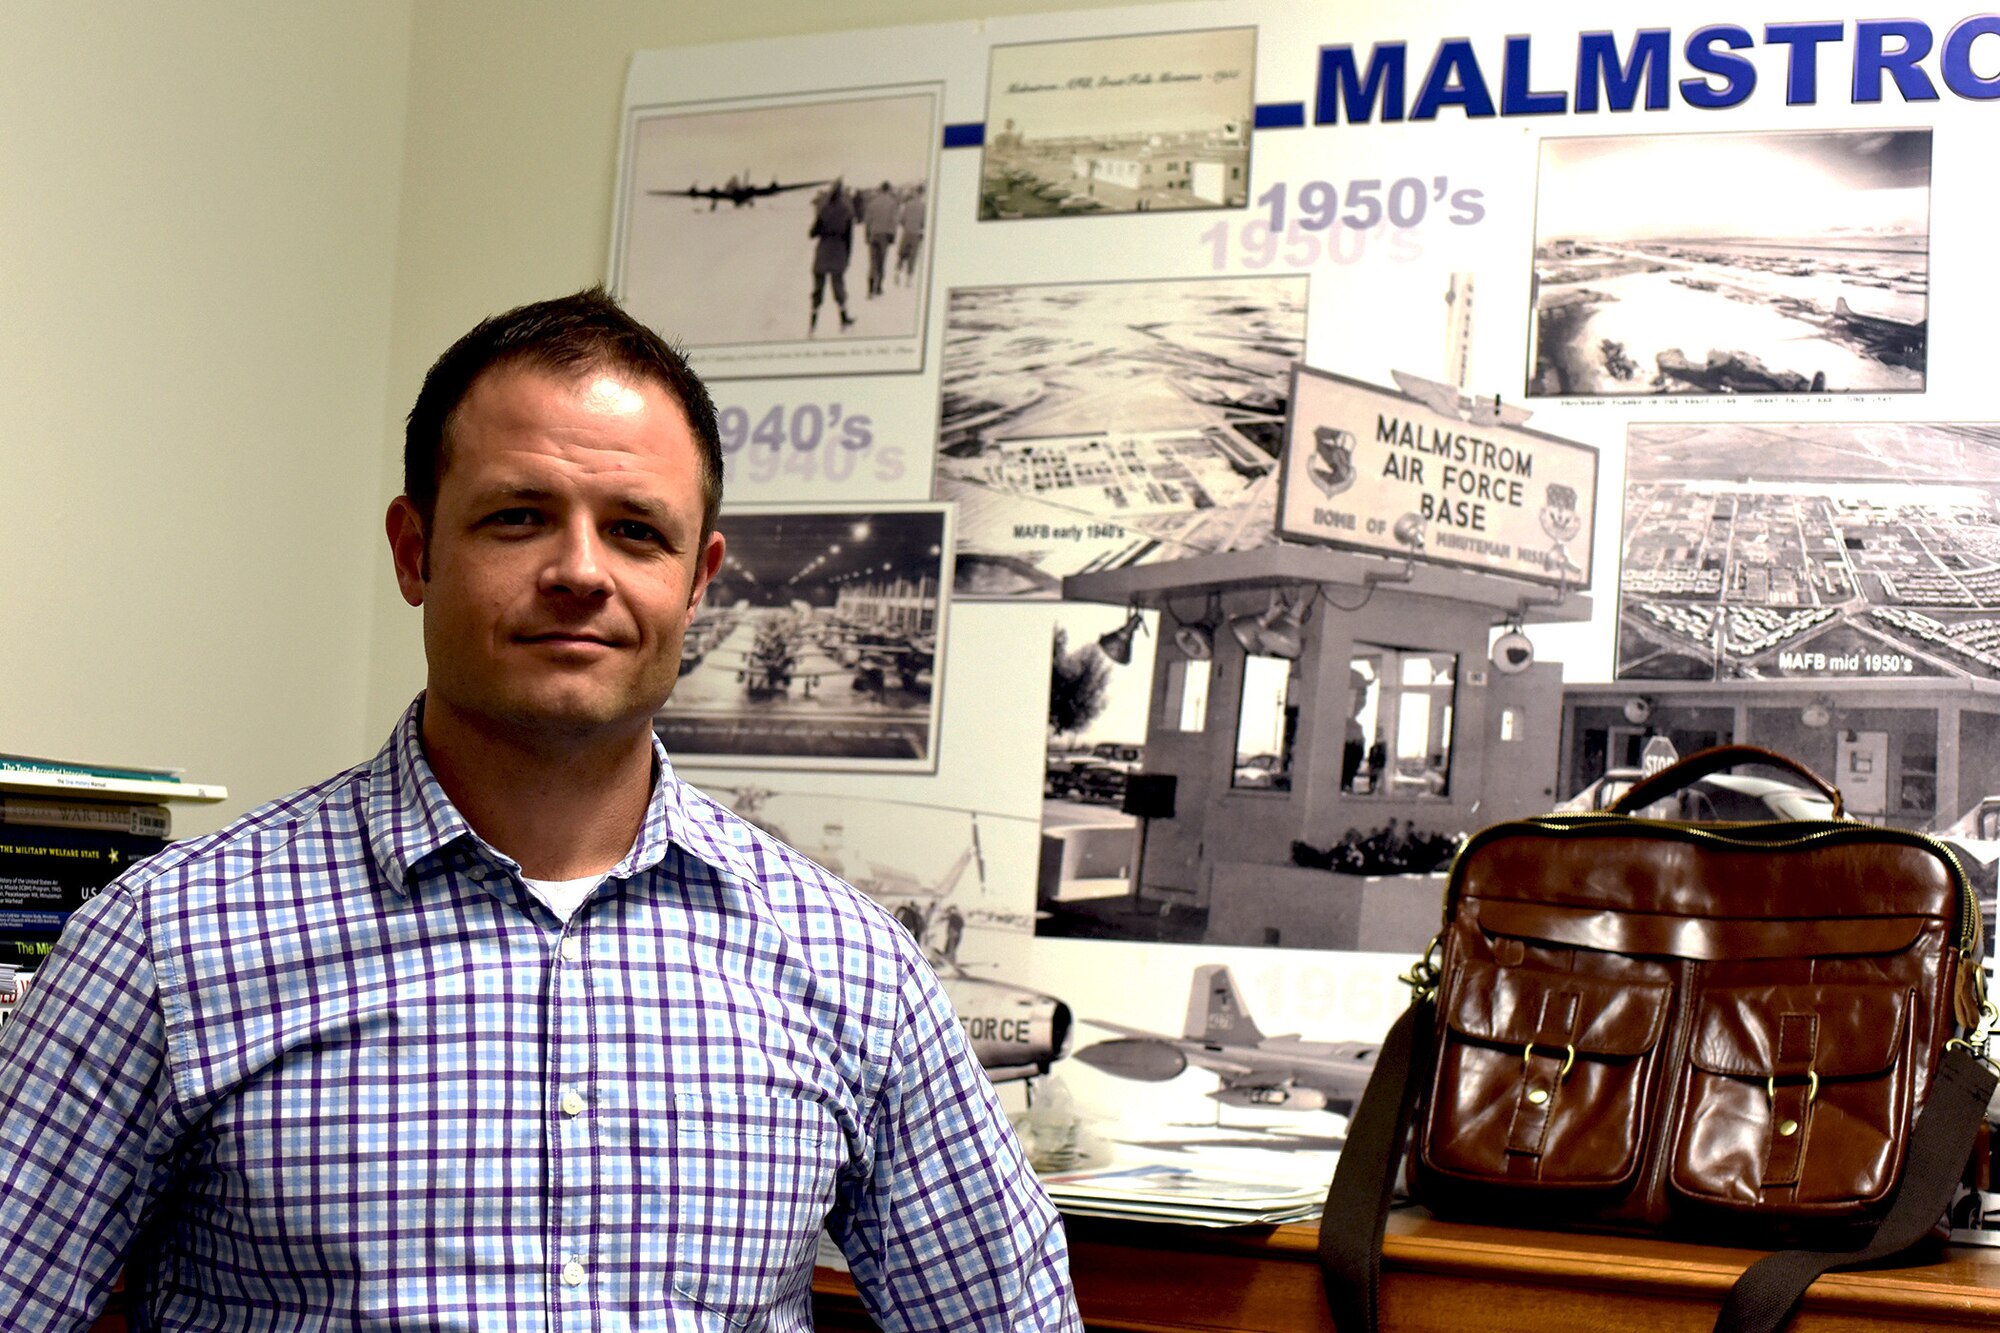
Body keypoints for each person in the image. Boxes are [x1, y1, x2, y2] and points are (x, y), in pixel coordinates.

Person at [0, 289, 1080, 1331]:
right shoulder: (167, 941)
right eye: (519, 517)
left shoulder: (849, 967)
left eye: (636, 532)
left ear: (699, 579)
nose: (579, 571)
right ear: (416, 550)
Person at [808, 178, 856, 333]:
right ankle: (844, 320)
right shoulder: (847, 211)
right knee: (839, 287)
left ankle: (813, 325)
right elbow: (849, 239)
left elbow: (812, 233)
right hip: (838, 252)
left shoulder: (823, 209)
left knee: (817, 289)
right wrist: (847, 257)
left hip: (822, 252)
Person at [862, 180, 899, 298]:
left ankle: (870, 289)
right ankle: (878, 287)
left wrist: (866, 235)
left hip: (874, 234)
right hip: (885, 235)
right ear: (888, 190)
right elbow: (894, 221)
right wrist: (893, 236)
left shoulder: (872, 203)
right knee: (882, 262)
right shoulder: (893, 203)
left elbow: (867, 221)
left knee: (873, 262)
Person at [895, 184, 926, 285]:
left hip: (907, 232)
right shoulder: (923, 206)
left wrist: (907, 225)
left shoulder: (908, 204)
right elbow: (924, 222)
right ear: (922, 194)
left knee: (902, 254)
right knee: (913, 256)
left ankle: (898, 272)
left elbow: (901, 219)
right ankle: (909, 279)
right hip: (916, 234)